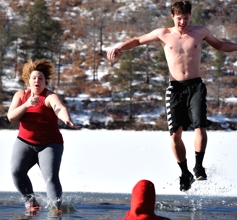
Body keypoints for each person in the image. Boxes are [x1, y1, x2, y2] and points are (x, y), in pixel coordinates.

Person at [107, 0, 237, 192]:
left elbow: (219, 45)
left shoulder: (201, 32)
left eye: (185, 18)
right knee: (175, 136)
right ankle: (184, 172)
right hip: (175, 89)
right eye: (179, 18)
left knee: (200, 126)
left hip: (196, 86)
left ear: (190, 16)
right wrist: (120, 47)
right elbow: (137, 40)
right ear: (172, 17)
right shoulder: (163, 34)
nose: (182, 22)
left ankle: (199, 166)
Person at [7, 59, 80, 215]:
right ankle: (31, 203)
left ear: (45, 80)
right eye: (34, 78)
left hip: (49, 144)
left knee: (51, 177)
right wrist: (26, 105)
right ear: (28, 80)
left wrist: (66, 118)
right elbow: (11, 117)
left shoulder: (49, 96)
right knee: (16, 171)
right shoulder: (20, 95)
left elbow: (59, 107)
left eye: (40, 78)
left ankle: (56, 209)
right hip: (24, 142)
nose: (37, 81)